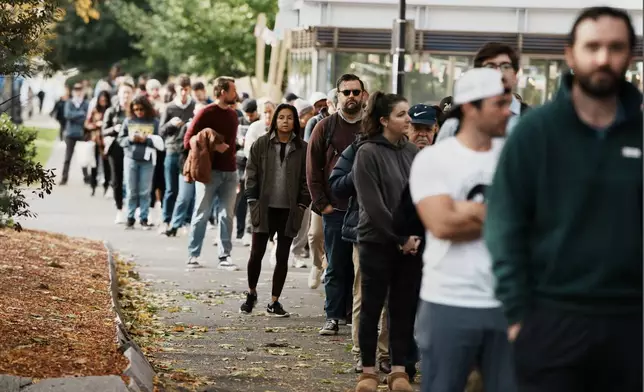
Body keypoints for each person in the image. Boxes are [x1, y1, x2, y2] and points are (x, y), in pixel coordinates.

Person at [485, 7, 642, 392]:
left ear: (631, 55)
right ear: (571, 54)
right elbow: (504, 226)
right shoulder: (535, 133)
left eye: (615, 47)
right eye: (593, 47)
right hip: (549, 320)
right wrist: (519, 315)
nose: (603, 58)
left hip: (630, 325)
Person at [410, 68, 515, 392]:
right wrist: (504, 212)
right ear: (470, 107)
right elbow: (442, 224)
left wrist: (467, 210)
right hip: (448, 302)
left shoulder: (515, 156)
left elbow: (535, 220)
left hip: (506, 304)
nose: (508, 112)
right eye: (499, 104)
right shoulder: (435, 160)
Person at [352, 92, 419, 392]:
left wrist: (414, 237)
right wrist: (398, 238)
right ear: (383, 120)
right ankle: (368, 371)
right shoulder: (367, 153)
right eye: (401, 114)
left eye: (407, 114)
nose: (408, 119)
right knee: (372, 306)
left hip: (410, 245)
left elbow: (420, 197)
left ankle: (399, 371)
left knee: (403, 308)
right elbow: (373, 205)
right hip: (376, 241)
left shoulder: (412, 153)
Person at [329, 124, 390, 375]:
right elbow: (337, 184)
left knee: (392, 297)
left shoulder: (404, 150)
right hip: (363, 229)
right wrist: (360, 172)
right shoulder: (358, 148)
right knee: (363, 293)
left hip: (397, 230)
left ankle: (386, 354)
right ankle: (361, 353)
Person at [307, 74, 365, 336]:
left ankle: (354, 316)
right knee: (335, 265)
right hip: (335, 209)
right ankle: (332, 316)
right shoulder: (325, 127)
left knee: (359, 269)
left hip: (365, 210)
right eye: (346, 92)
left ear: (363, 95)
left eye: (356, 92)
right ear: (338, 96)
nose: (351, 97)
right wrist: (322, 204)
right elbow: (312, 170)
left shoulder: (372, 127)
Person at [240, 103, 310, 317]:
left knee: (282, 256)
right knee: (256, 254)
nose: (285, 121)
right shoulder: (261, 144)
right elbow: (250, 173)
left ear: (295, 121)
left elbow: (306, 179)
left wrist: (301, 204)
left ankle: (274, 301)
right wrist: (252, 201)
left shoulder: (303, 148)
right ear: (274, 121)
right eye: (281, 117)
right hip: (264, 207)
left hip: (289, 210)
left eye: (290, 118)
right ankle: (251, 293)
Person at [183, 77, 239, 270]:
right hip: (209, 172)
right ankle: (193, 254)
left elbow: (233, 144)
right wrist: (213, 145)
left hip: (230, 172)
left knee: (227, 215)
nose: (235, 94)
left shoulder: (233, 115)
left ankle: (225, 255)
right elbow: (188, 139)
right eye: (233, 90)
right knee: (201, 213)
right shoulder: (206, 112)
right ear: (222, 92)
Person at [435, 42, 528, 143]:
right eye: (490, 67)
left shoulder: (532, 122)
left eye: (505, 66)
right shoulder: (455, 125)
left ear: (515, 75)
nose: (498, 72)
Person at [117, 96, 162, 230]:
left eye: (141, 109)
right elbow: (120, 140)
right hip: (131, 158)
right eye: (135, 109)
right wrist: (131, 139)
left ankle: (144, 217)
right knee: (131, 190)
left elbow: (160, 140)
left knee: (145, 191)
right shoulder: (128, 120)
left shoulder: (154, 122)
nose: (138, 112)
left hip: (147, 160)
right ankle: (130, 217)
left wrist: (146, 140)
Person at [159, 75, 195, 232]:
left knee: (187, 190)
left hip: (189, 152)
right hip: (172, 150)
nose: (183, 93)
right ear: (176, 89)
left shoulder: (194, 106)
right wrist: (171, 124)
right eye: (181, 89)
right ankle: (166, 220)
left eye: (186, 89)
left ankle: (185, 221)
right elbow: (160, 131)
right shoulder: (169, 107)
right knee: (170, 189)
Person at [103, 82, 134, 224]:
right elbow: (104, 130)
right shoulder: (111, 111)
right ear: (119, 95)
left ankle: (133, 210)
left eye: (128, 92)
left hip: (133, 148)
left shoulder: (136, 110)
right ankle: (119, 209)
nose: (126, 96)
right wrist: (114, 129)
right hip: (115, 148)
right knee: (117, 180)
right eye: (123, 93)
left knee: (131, 181)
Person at [60, 83, 89, 185]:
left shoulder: (85, 103)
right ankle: (64, 178)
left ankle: (86, 178)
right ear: (73, 91)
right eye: (76, 89)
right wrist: (81, 114)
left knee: (83, 157)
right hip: (70, 134)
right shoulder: (69, 102)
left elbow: (87, 117)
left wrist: (76, 116)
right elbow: (67, 115)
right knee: (67, 157)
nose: (78, 91)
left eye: (80, 89)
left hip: (81, 133)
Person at [84, 90, 112, 196]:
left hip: (106, 141)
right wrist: (96, 125)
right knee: (94, 165)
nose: (103, 101)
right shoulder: (94, 110)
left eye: (105, 99)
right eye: (101, 99)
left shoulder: (110, 111)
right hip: (95, 141)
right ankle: (93, 186)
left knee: (106, 166)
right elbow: (87, 124)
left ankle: (106, 187)